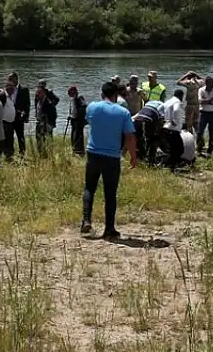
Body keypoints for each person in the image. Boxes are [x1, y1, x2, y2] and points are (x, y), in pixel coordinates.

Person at [81, 82, 138, 240]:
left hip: (93, 153)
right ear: (116, 95)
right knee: (110, 193)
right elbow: (130, 136)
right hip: (112, 157)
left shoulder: (92, 107)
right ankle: (109, 228)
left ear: (102, 93)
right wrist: (133, 156)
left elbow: (89, 121)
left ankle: (86, 220)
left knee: (89, 188)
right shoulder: (123, 112)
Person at [132, 100, 165, 166]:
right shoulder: (163, 106)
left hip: (140, 117)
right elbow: (161, 121)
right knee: (153, 138)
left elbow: (137, 116)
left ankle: (141, 157)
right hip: (150, 118)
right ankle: (150, 159)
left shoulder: (149, 103)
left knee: (142, 138)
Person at [7, 72, 31, 157]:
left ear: (16, 79)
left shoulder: (24, 89)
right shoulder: (7, 89)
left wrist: (26, 116)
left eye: (11, 79)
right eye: (9, 79)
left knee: (20, 136)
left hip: (19, 117)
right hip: (9, 117)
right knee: (9, 137)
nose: (9, 81)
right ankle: (10, 154)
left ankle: (22, 154)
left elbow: (27, 104)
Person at [33, 80, 60, 156]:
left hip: (47, 122)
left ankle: (49, 154)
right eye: (37, 92)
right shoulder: (37, 97)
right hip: (39, 121)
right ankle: (41, 154)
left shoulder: (49, 97)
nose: (37, 94)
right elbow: (36, 108)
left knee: (48, 139)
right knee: (39, 139)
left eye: (39, 92)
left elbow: (54, 114)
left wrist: (51, 107)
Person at [161, 90, 186, 168]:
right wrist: (174, 121)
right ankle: (171, 166)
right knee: (180, 149)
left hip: (166, 127)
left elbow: (160, 109)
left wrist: (165, 119)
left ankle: (172, 165)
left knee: (172, 149)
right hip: (173, 129)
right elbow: (176, 110)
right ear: (181, 96)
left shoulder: (168, 101)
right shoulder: (177, 102)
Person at [197, 76, 213, 157]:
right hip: (203, 113)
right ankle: (199, 149)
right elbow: (200, 101)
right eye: (211, 83)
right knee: (200, 132)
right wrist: (210, 100)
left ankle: (210, 150)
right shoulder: (201, 90)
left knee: (212, 132)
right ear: (207, 83)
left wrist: (205, 101)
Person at [67, 86, 88, 156]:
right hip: (74, 121)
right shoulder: (72, 99)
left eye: (70, 92)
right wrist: (70, 116)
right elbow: (73, 110)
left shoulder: (79, 98)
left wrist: (78, 116)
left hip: (79, 121)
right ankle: (75, 150)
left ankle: (80, 152)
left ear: (74, 91)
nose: (68, 93)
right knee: (73, 136)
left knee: (79, 136)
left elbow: (84, 105)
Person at [0, 82, 18, 161]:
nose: (12, 90)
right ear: (6, 88)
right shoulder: (2, 95)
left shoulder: (11, 97)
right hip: (4, 122)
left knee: (10, 140)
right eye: (10, 88)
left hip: (11, 123)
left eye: (13, 89)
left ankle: (9, 157)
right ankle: (6, 157)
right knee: (5, 141)